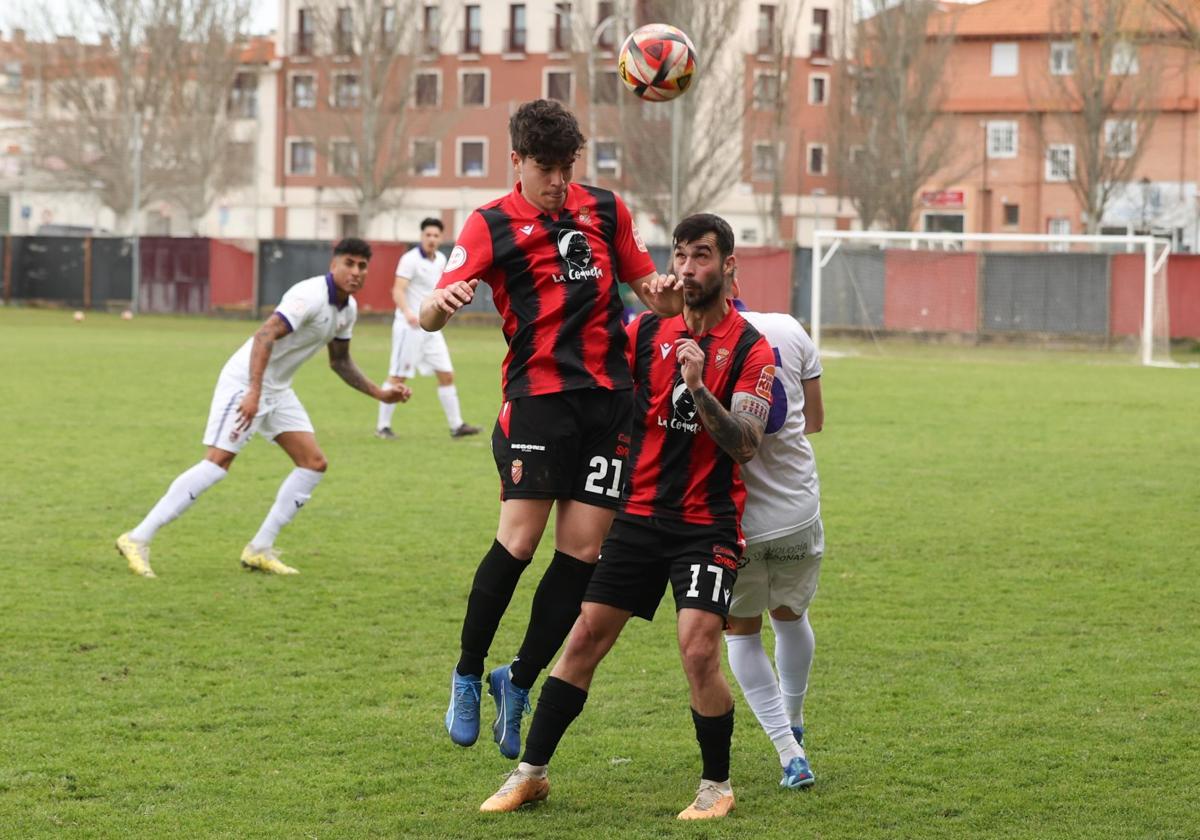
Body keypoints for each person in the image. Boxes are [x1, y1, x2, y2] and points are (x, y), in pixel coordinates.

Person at [479, 214, 776, 821]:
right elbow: (581, 373)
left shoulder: (751, 348)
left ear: (729, 266)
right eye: (682, 255)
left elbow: (746, 441)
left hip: (708, 524)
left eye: (703, 256)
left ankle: (715, 786)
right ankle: (530, 774)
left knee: (697, 649)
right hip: (636, 516)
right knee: (585, 637)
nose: (690, 268)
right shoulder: (644, 334)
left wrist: (698, 387)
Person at [420, 99, 682, 760]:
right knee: (519, 539)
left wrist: (668, 293)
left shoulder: (606, 210)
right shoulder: (489, 225)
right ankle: (468, 671)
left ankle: (520, 678)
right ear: (516, 160)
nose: (559, 180)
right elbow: (430, 307)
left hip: (608, 403)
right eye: (545, 167)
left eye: (567, 167)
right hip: (538, 400)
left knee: (583, 555)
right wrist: (438, 306)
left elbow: (648, 286)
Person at [115, 238, 410, 578]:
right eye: (350, 263)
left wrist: (380, 394)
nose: (356, 272)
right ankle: (137, 538)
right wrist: (253, 392)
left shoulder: (348, 309)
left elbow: (340, 362)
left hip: (277, 389)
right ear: (334, 264)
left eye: (362, 266)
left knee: (313, 464)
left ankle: (259, 549)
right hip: (245, 382)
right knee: (217, 463)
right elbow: (264, 336)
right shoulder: (309, 295)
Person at [722, 277, 825, 790]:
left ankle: (789, 751)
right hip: (797, 507)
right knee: (790, 617)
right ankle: (796, 721)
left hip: (736, 518)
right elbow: (817, 420)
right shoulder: (789, 328)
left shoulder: (702, 343)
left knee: (741, 631)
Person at [375, 217, 480, 440]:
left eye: (435, 235)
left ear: (441, 238)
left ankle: (457, 426)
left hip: (431, 329)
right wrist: (408, 313)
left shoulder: (442, 259)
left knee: (447, 375)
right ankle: (382, 426)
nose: (431, 239)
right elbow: (398, 290)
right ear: (422, 237)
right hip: (409, 327)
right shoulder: (409, 259)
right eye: (428, 235)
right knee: (397, 377)